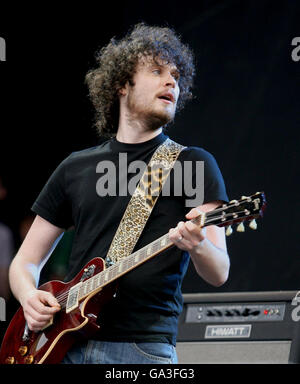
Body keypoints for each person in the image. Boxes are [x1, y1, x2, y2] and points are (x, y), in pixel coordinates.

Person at [8, 23, 230, 364]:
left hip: (143, 349)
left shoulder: (192, 163)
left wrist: (198, 244)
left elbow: (219, 271)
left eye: (175, 74)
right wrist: (28, 297)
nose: (171, 81)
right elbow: (25, 261)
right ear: (121, 85)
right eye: (156, 71)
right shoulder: (75, 167)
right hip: (64, 343)